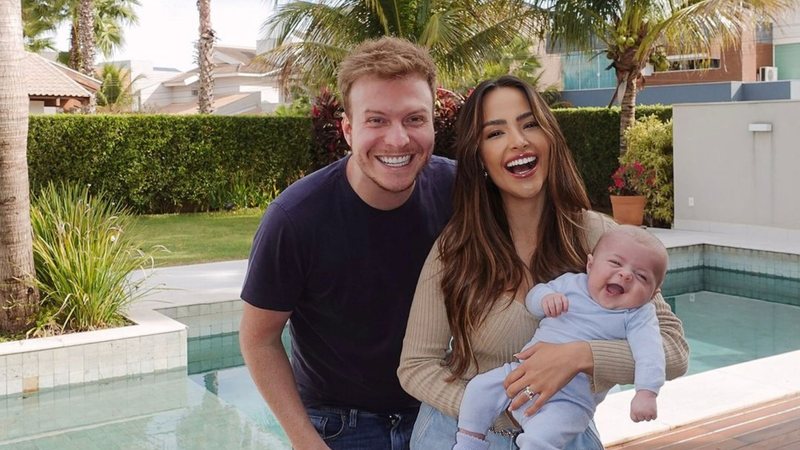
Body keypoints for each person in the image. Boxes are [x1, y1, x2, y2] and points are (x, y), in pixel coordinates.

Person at [398, 75, 689, 449]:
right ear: (480, 157)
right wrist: (494, 408)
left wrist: (581, 357)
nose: (518, 141)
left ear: (549, 136)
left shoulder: (602, 239)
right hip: (459, 435)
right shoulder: (456, 248)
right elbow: (416, 366)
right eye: (495, 133)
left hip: (558, 436)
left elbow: (674, 350)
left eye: (529, 124)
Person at [239, 37, 456, 450]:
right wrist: (307, 443)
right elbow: (259, 339)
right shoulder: (295, 219)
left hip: (438, 410)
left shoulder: (460, 192)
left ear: (433, 122)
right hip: (338, 424)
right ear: (348, 129)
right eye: (376, 120)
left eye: (414, 119)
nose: (397, 140)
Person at [455, 225, 669, 450]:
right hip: (521, 374)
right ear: (590, 264)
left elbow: (650, 354)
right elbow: (534, 295)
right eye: (615, 263)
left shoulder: (638, 315)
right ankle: (470, 442)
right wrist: (545, 298)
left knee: (541, 440)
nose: (625, 274)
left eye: (641, 276)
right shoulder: (570, 284)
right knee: (479, 388)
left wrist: (646, 392)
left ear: (653, 294)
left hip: (570, 403)